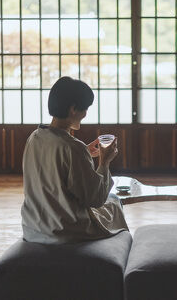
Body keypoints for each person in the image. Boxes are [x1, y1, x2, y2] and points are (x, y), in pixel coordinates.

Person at [21, 76, 128, 244]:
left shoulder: (35, 137)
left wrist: (84, 151)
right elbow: (96, 199)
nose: (85, 114)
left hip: (34, 227)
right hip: (66, 230)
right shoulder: (72, 147)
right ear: (73, 109)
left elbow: (52, 162)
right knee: (113, 202)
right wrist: (104, 162)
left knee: (110, 202)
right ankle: (114, 253)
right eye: (85, 109)